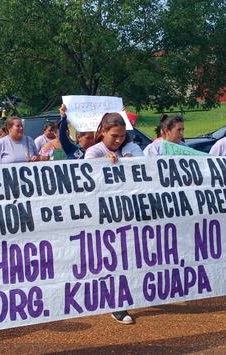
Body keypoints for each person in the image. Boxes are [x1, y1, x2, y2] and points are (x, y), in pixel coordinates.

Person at [83, 112, 140, 324]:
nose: (118, 140)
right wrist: (102, 165)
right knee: (111, 258)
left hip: (130, 213)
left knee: (131, 257)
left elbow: (145, 166)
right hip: (103, 217)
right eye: (114, 135)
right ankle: (116, 303)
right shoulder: (93, 152)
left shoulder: (132, 148)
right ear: (103, 132)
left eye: (122, 136)